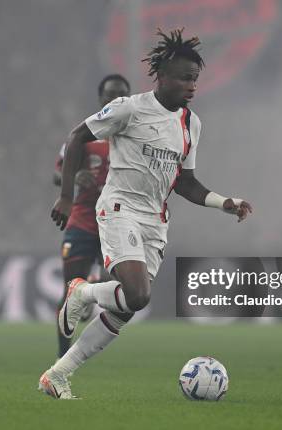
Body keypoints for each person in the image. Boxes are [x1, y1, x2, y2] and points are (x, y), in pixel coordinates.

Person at [39, 29, 252, 399]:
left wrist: (223, 202)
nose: (191, 86)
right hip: (120, 208)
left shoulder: (190, 124)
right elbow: (77, 137)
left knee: (124, 309)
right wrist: (66, 197)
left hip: (155, 220)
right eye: (185, 78)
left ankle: (58, 374)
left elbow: (184, 183)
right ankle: (83, 292)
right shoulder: (130, 109)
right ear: (163, 77)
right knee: (137, 295)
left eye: (195, 79)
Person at [53, 74, 131, 358]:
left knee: (123, 289)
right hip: (83, 223)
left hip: (117, 223)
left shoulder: (132, 135)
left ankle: (93, 289)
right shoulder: (85, 134)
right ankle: (61, 360)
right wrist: (75, 176)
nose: (114, 99)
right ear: (100, 99)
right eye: (109, 94)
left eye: (120, 94)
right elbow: (57, 171)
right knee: (68, 297)